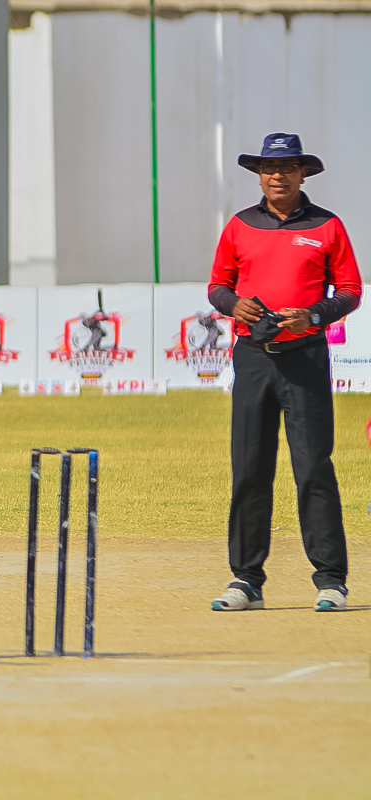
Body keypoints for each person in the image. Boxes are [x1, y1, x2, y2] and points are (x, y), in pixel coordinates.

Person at [207, 133, 361, 613]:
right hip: (253, 358)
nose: (278, 175)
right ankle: (246, 580)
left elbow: (351, 291)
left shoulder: (327, 225)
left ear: (303, 174)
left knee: (313, 467)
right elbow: (217, 286)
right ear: (259, 175)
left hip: (305, 358)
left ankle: (331, 581)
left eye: (289, 167)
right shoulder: (239, 225)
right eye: (270, 168)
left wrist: (312, 315)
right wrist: (235, 305)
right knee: (250, 467)